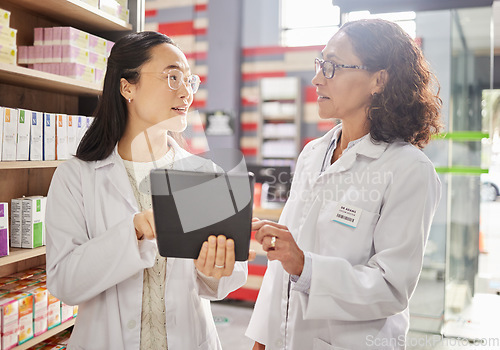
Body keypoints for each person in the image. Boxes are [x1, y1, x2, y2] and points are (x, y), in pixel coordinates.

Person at [246, 19, 443, 350]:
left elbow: (390, 288)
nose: (317, 78)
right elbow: (283, 270)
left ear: (379, 80)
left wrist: (306, 266)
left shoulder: (409, 170)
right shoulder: (313, 153)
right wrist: (262, 341)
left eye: (333, 66)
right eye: (320, 63)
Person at [45, 31, 248, 350]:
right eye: (172, 77)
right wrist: (135, 230)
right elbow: (65, 284)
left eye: (189, 81)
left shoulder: (204, 174)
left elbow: (223, 281)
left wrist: (215, 269)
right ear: (127, 86)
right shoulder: (77, 177)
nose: (186, 93)